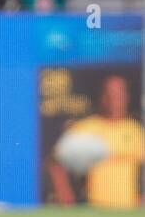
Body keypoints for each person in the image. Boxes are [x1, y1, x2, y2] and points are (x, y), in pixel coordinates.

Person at [50, 74, 144, 209]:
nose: (114, 100)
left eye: (119, 94)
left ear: (126, 97)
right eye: (110, 94)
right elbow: (55, 162)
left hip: (128, 209)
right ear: (102, 96)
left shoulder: (135, 130)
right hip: (94, 208)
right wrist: (67, 199)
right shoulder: (85, 128)